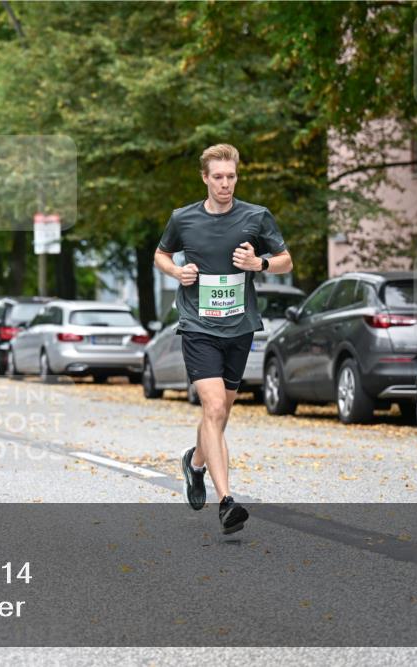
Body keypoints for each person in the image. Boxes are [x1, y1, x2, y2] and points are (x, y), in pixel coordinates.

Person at [154, 143, 293, 535]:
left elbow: (286, 260)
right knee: (213, 407)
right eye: (218, 177)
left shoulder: (256, 217)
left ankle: (194, 464)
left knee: (221, 413)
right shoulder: (183, 219)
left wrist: (259, 263)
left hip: (240, 326)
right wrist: (176, 272)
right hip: (198, 326)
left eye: (231, 176)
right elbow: (161, 255)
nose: (225, 184)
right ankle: (227, 502)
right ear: (205, 178)